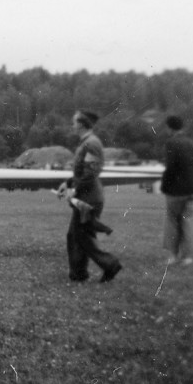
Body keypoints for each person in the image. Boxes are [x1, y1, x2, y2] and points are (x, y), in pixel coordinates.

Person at [57, 110, 123, 283]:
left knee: (82, 236)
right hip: (86, 196)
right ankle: (78, 273)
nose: (72, 125)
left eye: (74, 122)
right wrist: (68, 183)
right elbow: (82, 171)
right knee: (75, 235)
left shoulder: (91, 143)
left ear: (81, 124)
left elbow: (91, 172)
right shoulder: (87, 142)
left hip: (89, 198)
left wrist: (75, 189)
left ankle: (110, 264)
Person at [160, 115, 193, 266]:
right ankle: (188, 257)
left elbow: (170, 167)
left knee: (172, 221)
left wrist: (164, 185)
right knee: (188, 221)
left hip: (175, 190)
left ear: (169, 128)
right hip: (192, 190)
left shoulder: (171, 143)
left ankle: (173, 255)